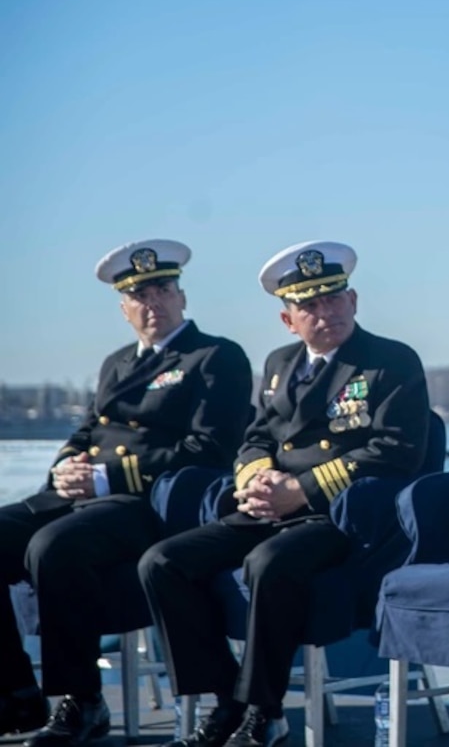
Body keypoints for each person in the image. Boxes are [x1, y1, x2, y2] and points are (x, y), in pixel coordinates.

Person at [139, 241, 430, 747]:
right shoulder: (279, 364)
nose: (325, 312)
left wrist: (302, 489)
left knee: (269, 563)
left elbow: (397, 452)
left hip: (348, 515)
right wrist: (255, 476)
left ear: (354, 300)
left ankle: (263, 712)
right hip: (273, 506)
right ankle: (226, 698)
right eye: (309, 305)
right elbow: (257, 435)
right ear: (287, 318)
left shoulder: (390, 362)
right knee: (163, 562)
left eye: (333, 299)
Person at [0, 240, 252, 746]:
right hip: (85, 495)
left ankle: (82, 702)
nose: (152, 302)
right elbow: (89, 429)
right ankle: (14, 696)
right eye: (139, 294)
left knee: (54, 547)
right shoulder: (117, 362)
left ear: (181, 296)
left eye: (162, 289)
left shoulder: (214, 357)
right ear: (124, 308)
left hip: (152, 502)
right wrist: (66, 466)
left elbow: (209, 449)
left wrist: (107, 477)